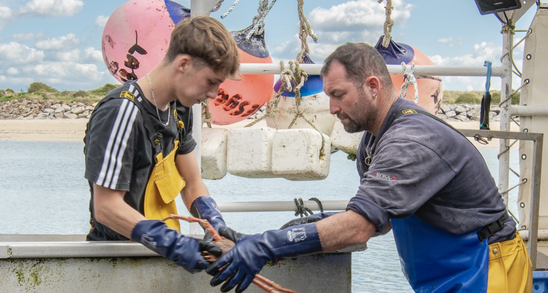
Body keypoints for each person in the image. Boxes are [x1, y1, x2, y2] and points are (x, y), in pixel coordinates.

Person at [207, 42, 533, 292]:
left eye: (338, 95)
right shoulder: (373, 140)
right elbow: (377, 218)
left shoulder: (410, 141)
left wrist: (266, 246)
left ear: (373, 86)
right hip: (445, 273)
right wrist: (278, 236)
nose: (332, 108)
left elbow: (358, 228)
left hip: (486, 268)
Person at [84, 16, 239, 273]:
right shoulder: (121, 112)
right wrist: (173, 244)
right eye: (212, 82)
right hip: (116, 260)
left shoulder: (180, 108)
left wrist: (215, 226)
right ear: (183, 64)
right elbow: (106, 207)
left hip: (161, 255)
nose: (213, 94)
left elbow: (192, 182)